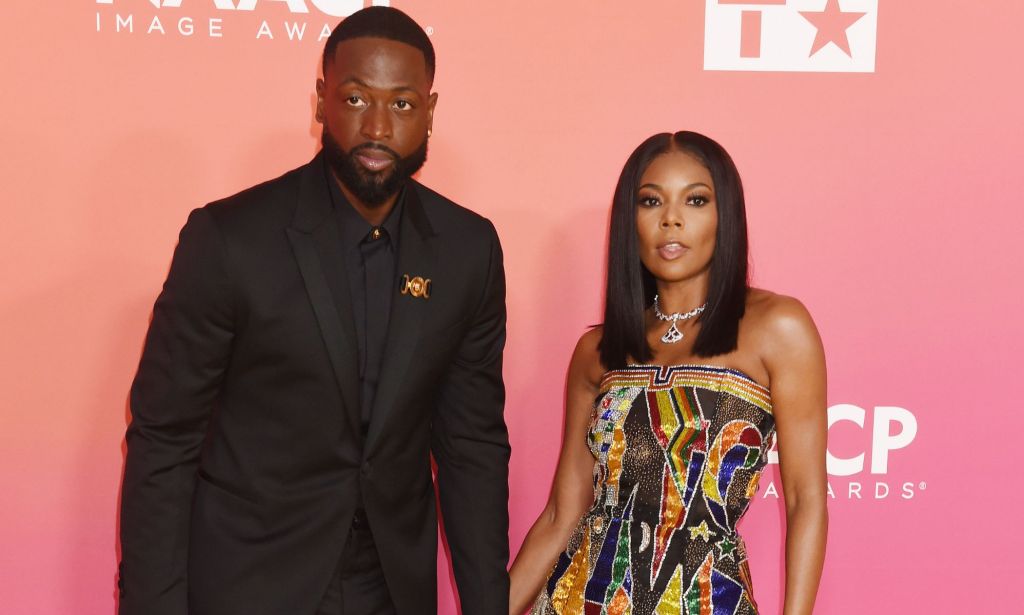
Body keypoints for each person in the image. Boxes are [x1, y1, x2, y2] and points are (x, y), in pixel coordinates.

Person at [118, 7, 510, 615]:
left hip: (392, 588)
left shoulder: (469, 250)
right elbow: (163, 440)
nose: (377, 126)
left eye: (402, 104)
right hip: (248, 584)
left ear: (431, 111)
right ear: (320, 102)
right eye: (356, 98)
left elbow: (471, 446)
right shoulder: (229, 240)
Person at [509, 132, 827, 614]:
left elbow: (806, 501)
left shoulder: (778, 328)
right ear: (629, 220)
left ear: (727, 217)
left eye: (696, 200)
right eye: (651, 201)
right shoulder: (597, 350)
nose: (671, 218)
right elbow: (561, 514)